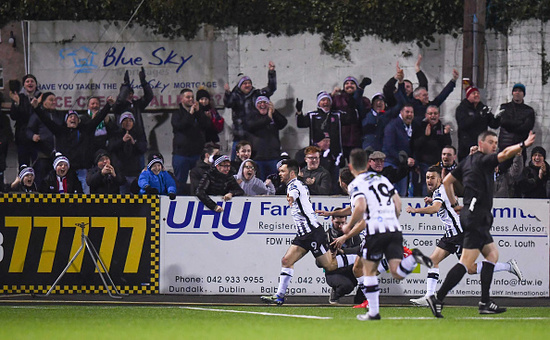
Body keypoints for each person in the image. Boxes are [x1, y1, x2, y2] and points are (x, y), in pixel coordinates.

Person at [427, 130, 536, 318]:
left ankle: (485, 302)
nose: (494, 145)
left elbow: (447, 181)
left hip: (474, 214)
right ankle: (438, 297)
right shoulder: (483, 160)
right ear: (481, 143)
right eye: (491, 142)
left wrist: (455, 205)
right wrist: (523, 145)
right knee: (467, 263)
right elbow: (503, 155)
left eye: (496, 142)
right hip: (476, 216)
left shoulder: (468, 161)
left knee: (492, 255)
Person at [334, 148, 432, 320]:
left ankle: (373, 311)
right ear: (367, 164)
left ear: (351, 167)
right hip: (393, 229)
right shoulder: (382, 178)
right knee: (397, 272)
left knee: (368, 271)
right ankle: (413, 257)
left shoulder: (356, 183)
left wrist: (348, 226)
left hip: (376, 231)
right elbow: (398, 202)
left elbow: (361, 206)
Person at [406, 166, 524, 307]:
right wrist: (432, 200)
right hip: (451, 235)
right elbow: (443, 205)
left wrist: (416, 210)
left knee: (470, 269)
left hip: (458, 235)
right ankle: (429, 296)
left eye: (432, 177)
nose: (429, 180)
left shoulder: (441, 190)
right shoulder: (440, 191)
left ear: (439, 179)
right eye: (427, 177)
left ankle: (508, 266)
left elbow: (436, 208)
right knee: (433, 261)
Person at [260, 159, 357, 306]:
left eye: (283, 171)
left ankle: (359, 257)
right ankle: (279, 296)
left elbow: (294, 193)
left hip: (312, 233)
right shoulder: (296, 184)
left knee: (330, 265)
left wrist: (290, 197)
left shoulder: (295, 185)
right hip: (303, 234)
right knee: (286, 261)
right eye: (279, 171)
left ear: (291, 173)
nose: (280, 173)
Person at [31, 95, 115, 194]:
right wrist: (36, 108)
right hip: (66, 170)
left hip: (82, 170)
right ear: (66, 121)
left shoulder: (85, 130)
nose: (73, 118)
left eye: (75, 117)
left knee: (84, 197)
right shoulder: (60, 131)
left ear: (79, 121)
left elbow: (97, 119)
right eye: (70, 117)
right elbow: (47, 121)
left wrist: (108, 105)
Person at [224, 61, 277, 160]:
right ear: (240, 86)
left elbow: (271, 88)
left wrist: (271, 73)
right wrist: (227, 93)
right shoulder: (235, 96)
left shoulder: (256, 94)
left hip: (254, 136)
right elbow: (228, 104)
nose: (247, 85)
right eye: (244, 83)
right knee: (236, 164)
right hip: (239, 135)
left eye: (249, 83)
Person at [171, 88, 212, 194]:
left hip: (196, 154)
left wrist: (198, 113)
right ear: (181, 99)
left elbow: (207, 125)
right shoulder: (176, 114)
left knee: (200, 182)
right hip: (181, 154)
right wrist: (190, 114)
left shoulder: (199, 112)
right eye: (188, 97)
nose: (191, 99)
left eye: (192, 97)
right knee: (180, 182)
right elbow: (181, 126)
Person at [323, 209, 363, 305]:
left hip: (351, 268)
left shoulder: (353, 234)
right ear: (332, 220)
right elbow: (319, 260)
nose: (340, 226)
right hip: (334, 271)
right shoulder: (326, 236)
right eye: (337, 223)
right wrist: (330, 254)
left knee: (369, 276)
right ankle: (335, 294)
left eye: (343, 223)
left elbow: (360, 249)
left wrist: (342, 251)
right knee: (346, 286)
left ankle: (360, 302)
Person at [296, 91, 348, 165]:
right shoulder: (312, 115)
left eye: (328, 100)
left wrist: (346, 98)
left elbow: (351, 119)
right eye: (323, 100)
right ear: (318, 103)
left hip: (335, 152)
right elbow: (300, 124)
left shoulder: (337, 114)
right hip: (317, 152)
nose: (326, 102)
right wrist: (299, 112)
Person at [26, 92, 64, 189]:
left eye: (55, 100)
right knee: (42, 177)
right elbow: (28, 130)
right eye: (51, 100)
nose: (54, 102)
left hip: (58, 153)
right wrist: (33, 136)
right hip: (43, 153)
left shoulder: (59, 115)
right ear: (44, 102)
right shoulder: (38, 115)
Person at [411, 105, 452, 197]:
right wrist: (425, 136)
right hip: (424, 163)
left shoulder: (442, 128)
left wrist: (446, 135)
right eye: (430, 114)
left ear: (439, 115)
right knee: (426, 187)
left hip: (438, 164)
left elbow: (447, 146)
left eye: (435, 113)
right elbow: (415, 145)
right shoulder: (420, 127)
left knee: (438, 187)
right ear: (426, 115)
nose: (433, 116)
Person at [246, 96, 287, 180]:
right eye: (260, 103)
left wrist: (274, 112)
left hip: (273, 157)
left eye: (265, 102)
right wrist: (268, 118)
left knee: (274, 182)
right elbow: (251, 126)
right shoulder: (252, 117)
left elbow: (283, 123)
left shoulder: (273, 116)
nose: (262, 105)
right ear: (256, 106)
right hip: (258, 157)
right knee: (259, 182)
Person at [497, 83, 536, 172]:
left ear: (523, 94)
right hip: (504, 147)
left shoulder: (529, 110)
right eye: (515, 91)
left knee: (518, 175)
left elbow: (527, 127)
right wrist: (519, 122)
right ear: (512, 93)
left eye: (520, 91)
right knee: (502, 174)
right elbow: (503, 122)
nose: (517, 93)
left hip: (520, 148)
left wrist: (510, 125)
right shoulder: (504, 107)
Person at [331, 76, 371, 161]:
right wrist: (332, 94)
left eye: (352, 83)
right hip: (340, 141)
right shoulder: (337, 99)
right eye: (346, 83)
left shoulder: (364, 100)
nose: (349, 85)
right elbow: (325, 108)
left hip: (357, 141)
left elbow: (364, 113)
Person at [455, 86, 500, 161]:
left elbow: (493, 124)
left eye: (478, 93)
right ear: (468, 96)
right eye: (473, 93)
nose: (476, 95)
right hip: (466, 147)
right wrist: (478, 115)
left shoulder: (483, 108)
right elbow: (463, 124)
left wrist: (498, 117)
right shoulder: (461, 108)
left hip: (480, 146)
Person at [113, 68, 154, 148]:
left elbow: (149, 97)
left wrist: (144, 83)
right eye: (127, 93)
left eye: (131, 93)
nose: (130, 95)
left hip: (137, 139)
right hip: (121, 140)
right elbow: (120, 100)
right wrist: (126, 85)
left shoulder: (137, 105)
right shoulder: (118, 106)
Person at [108, 112, 148, 194]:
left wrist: (134, 143)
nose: (128, 123)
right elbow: (111, 147)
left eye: (130, 121)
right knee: (123, 198)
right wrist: (122, 141)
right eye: (125, 120)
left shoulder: (138, 134)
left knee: (135, 198)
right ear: (121, 122)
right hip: (121, 173)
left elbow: (143, 148)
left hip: (134, 172)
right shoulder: (116, 134)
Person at [382, 104, 417, 196]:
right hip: (391, 164)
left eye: (412, 112)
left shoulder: (414, 126)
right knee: (391, 194)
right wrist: (404, 159)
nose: (410, 114)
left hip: (404, 167)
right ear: (401, 112)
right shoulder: (392, 126)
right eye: (407, 112)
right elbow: (389, 147)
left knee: (402, 194)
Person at [9, 74, 40, 167]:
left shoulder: (40, 97)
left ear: (35, 84)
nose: (30, 83)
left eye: (32, 81)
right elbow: (13, 116)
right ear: (24, 85)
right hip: (22, 136)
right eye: (27, 81)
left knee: (38, 165)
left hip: (37, 136)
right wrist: (16, 104)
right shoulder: (19, 97)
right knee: (23, 165)